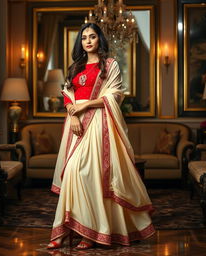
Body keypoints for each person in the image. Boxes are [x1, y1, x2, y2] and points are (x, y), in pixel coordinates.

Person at [47, 23, 155, 250]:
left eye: (92, 36)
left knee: (92, 176)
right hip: (75, 125)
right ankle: (65, 228)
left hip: (99, 124)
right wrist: (73, 115)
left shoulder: (110, 65)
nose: (88, 41)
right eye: (84, 37)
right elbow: (67, 94)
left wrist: (84, 107)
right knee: (73, 173)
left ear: (99, 40)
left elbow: (115, 95)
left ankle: (93, 232)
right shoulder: (75, 67)